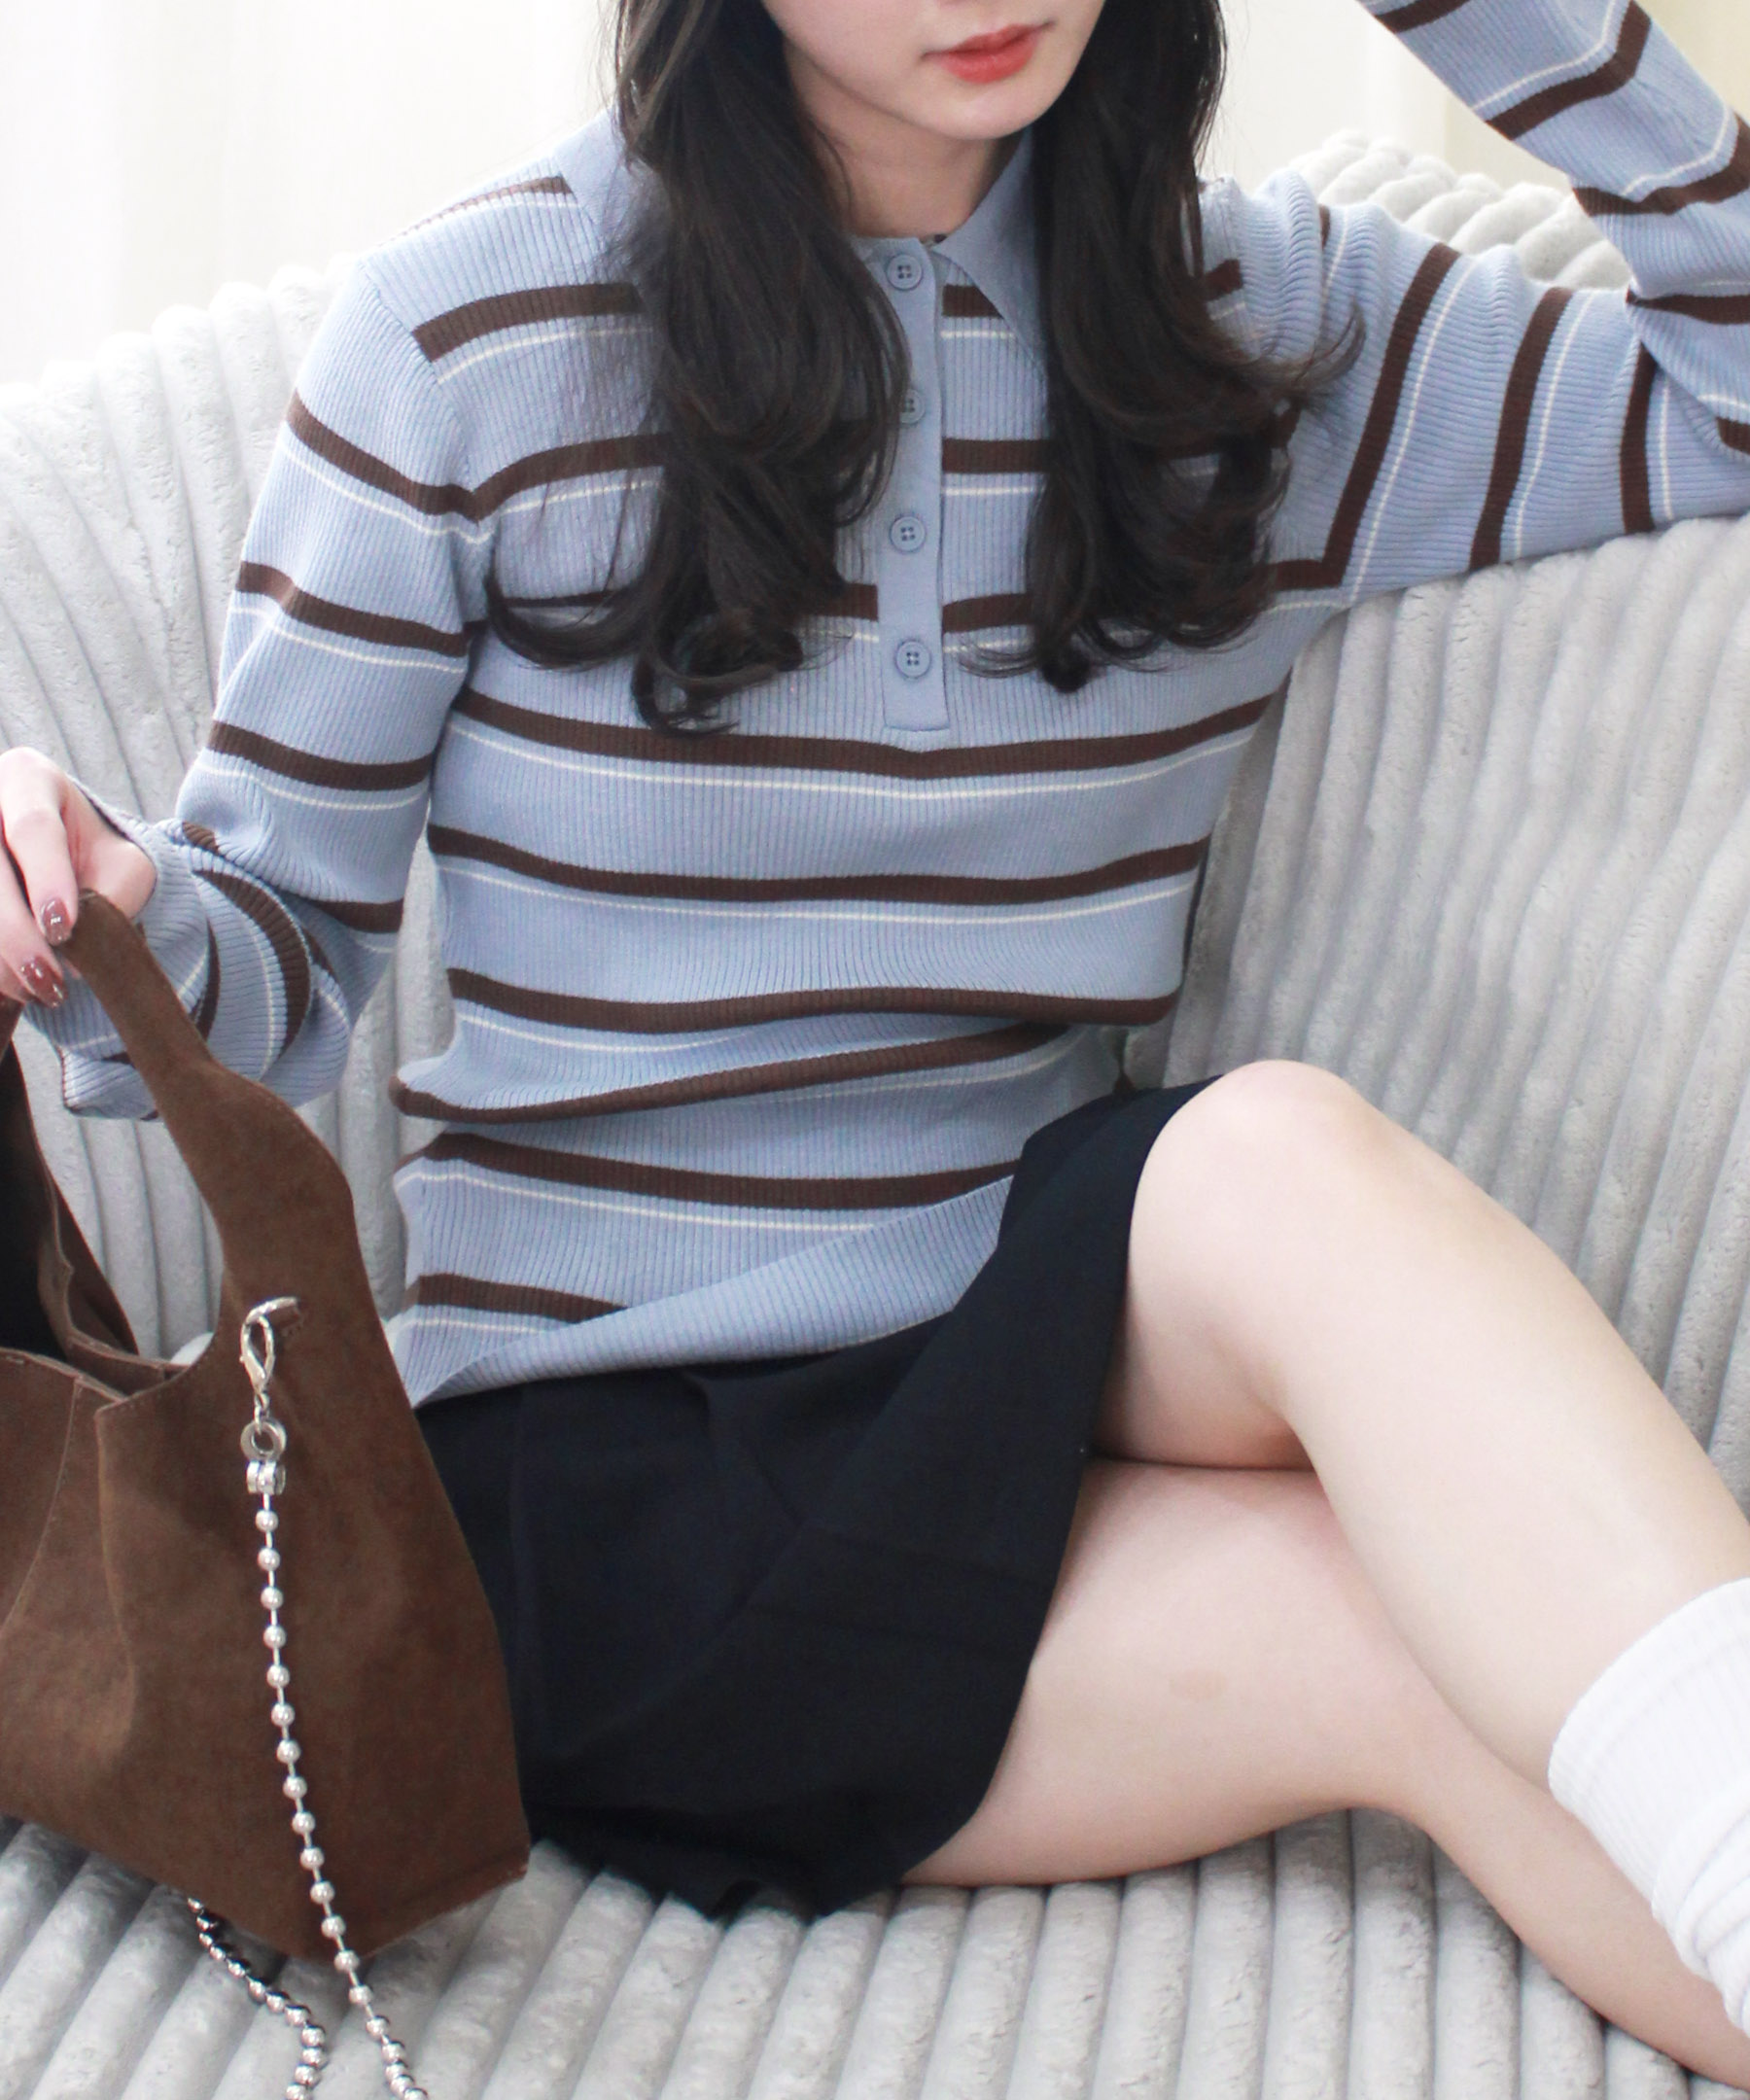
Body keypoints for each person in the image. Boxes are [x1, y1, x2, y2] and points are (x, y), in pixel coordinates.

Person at [8, 0, 1750, 2077]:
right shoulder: (469, 341)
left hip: (1014, 1330)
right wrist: (101, 908)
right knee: (1404, 1647)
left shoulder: (1261, 338)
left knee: (1277, 1158)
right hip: (604, 1482)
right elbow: (279, 956)